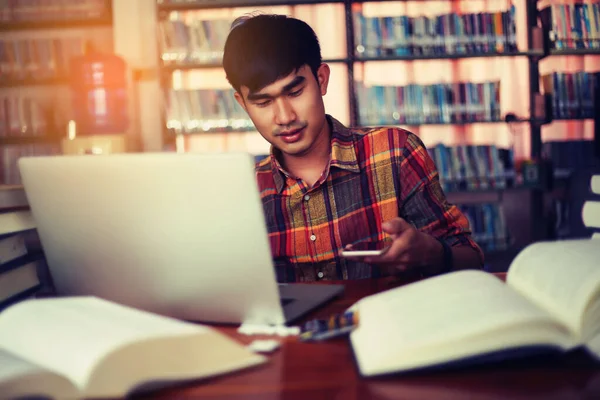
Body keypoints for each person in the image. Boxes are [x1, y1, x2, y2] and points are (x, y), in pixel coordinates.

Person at [222, 13, 484, 282]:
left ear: (321, 79)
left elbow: (472, 259)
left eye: (295, 92)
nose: (285, 117)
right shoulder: (246, 194)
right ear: (243, 104)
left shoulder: (396, 152)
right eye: (263, 103)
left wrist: (433, 253)